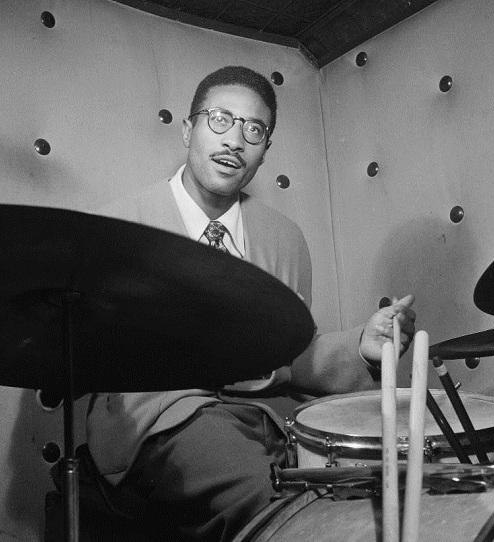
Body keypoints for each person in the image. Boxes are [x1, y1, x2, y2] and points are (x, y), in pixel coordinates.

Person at [86, 65, 416, 541]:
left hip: (268, 420)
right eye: (219, 119)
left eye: (253, 129)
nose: (234, 140)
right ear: (188, 129)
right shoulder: (119, 227)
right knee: (274, 504)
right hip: (162, 421)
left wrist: (363, 345)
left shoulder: (285, 238)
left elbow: (295, 357)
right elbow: (96, 359)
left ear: (264, 150)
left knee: (374, 489)